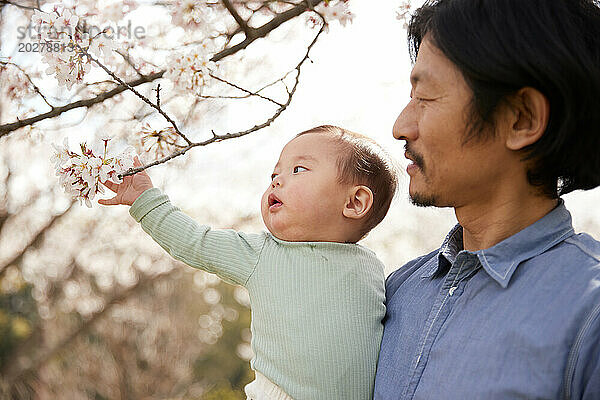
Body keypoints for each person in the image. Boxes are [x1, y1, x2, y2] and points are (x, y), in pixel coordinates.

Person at [374, 0, 600, 398]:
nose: (400, 127)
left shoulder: (590, 312)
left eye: (424, 98)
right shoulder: (397, 292)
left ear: (522, 119)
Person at [99, 125, 398, 400]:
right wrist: (144, 199)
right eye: (274, 175)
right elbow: (194, 241)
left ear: (354, 202)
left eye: (298, 169)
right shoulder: (262, 254)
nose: (277, 180)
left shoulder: (372, 270)